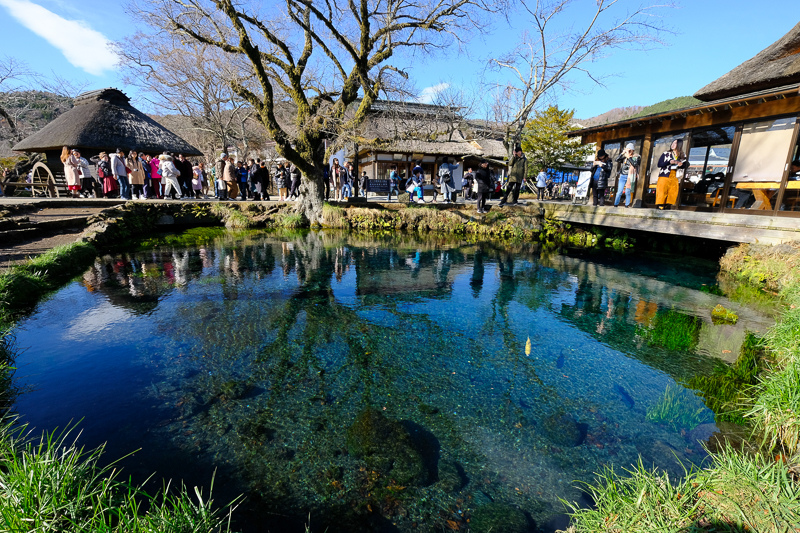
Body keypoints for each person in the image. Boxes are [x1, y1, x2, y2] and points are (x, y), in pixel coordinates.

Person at [656, 139, 688, 209]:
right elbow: (659, 164)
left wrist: (681, 164)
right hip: (664, 174)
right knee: (662, 190)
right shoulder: (666, 153)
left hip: (675, 175)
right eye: (672, 143)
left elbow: (685, 165)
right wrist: (669, 162)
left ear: (679, 145)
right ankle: (660, 206)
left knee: (673, 191)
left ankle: (668, 205)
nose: (672, 145)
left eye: (675, 143)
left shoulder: (682, 155)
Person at [614, 143, 641, 208]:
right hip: (623, 175)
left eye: (630, 150)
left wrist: (629, 157)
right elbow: (617, 160)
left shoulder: (637, 157)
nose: (629, 151)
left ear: (633, 150)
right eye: (628, 149)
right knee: (619, 191)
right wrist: (622, 153)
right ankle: (615, 204)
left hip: (630, 176)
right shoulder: (624, 157)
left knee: (627, 192)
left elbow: (635, 164)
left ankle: (627, 204)